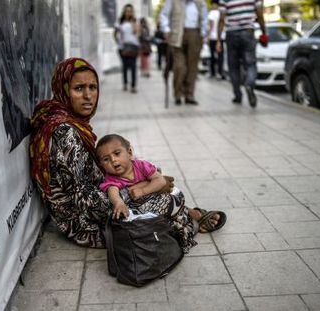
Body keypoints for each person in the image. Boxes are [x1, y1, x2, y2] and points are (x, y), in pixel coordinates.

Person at [29, 57, 226, 252]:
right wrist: (142, 188)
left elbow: (93, 176)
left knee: (148, 175)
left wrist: (139, 183)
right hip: (85, 223)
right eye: (79, 89)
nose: (88, 96)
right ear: (63, 90)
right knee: (169, 196)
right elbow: (86, 202)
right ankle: (191, 216)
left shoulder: (70, 121)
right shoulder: (64, 132)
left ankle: (188, 214)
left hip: (102, 198)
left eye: (93, 87)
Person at [97, 134, 167, 220]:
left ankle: (186, 211)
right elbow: (112, 192)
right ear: (101, 165)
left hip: (159, 199)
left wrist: (142, 191)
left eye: (117, 153)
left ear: (129, 153)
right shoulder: (111, 178)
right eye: (106, 159)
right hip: (144, 209)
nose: (113, 160)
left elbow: (161, 181)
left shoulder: (141, 166)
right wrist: (119, 203)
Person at [216, 0, 267, 107]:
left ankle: (237, 95)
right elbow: (260, 14)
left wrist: (218, 40)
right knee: (250, 64)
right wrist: (264, 33)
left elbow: (221, 19)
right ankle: (249, 84)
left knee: (233, 66)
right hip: (247, 32)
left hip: (231, 33)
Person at [159, 0, 209, 105]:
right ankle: (178, 94)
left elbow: (204, 18)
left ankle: (189, 95)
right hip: (177, 34)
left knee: (192, 67)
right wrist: (166, 29)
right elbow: (163, 15)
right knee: (180, 67)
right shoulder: (172, 1)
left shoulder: (200, 3)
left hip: (195, 34)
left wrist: (204, 33)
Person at [114, 4, 140, 93]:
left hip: (133, 47)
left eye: (130, 11)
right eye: (127, 11)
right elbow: (115, 33)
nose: (128, 12)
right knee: (124, 66)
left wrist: (133, 22)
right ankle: (125, 83)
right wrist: (118, 41)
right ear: (124, 12)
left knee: (133, 66)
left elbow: (136, 32)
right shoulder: (120, 22)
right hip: (122, 47)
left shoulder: (135, 21)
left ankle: (133, 86)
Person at [207, 0, 225, 80]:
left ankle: (212, 72)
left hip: (213, 37)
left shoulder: (211, 13)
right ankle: (220, 72)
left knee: (212, 56)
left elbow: (211, 26)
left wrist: (208, 36)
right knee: (220, 56)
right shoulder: (221, 12)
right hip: (220, 37)